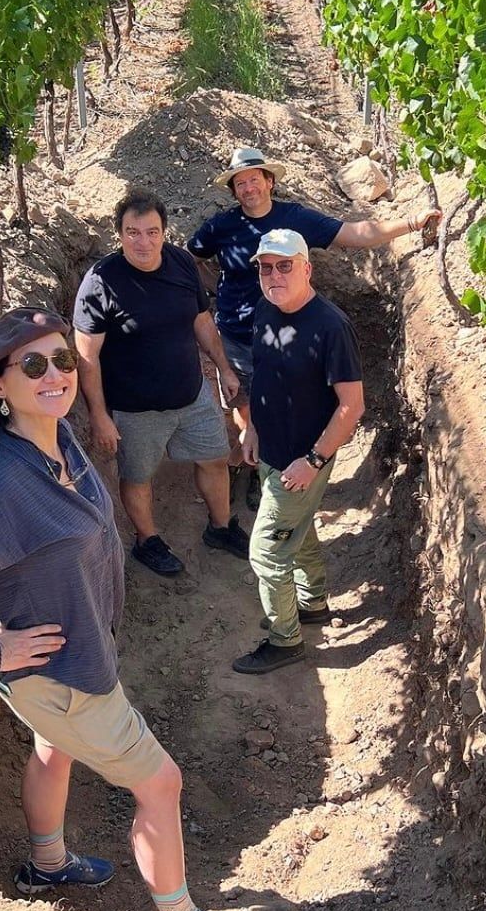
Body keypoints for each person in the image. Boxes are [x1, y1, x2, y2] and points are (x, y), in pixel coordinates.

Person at [0, 306, 258, 911]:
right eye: (31, 365)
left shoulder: (58, 441)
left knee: (52, 752)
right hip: (64, 678)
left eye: (62, 360)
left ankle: (47, 864)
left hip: (72, 662)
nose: (54, 374)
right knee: (161, 785)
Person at [187, 147, 437, 510]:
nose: (248, 188)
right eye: (240, 183)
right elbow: (190, 256)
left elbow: (356, 234)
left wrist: (411, 223)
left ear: (269, 182)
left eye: (254, 179)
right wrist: (212, 286)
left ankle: (285, 473)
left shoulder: (294, 219)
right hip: (237, 336)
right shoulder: (221, 227)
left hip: (287, 336)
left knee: (282, 404)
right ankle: (255, 465)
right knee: (246, 408)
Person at [73, 188, 249, 578]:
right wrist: (100, 416)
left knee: (216, 458)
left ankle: (220, 527)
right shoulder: (100, 283)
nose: (144, 242)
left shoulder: (182, 264)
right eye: (133, 232)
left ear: (164, 232)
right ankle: (147, 540)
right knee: (138, 477)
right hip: (136, 409)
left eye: (152, 232)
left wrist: (224, 367)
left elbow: (202, 321)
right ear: (118, 233)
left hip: (192, 395)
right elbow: (87, 358)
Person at [235, 230, 365, 676]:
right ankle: (313, 605)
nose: (274, 275)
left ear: (307, 268)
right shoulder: (265, 309)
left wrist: (313, 461)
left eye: (284, 265)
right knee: (299, 528)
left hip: (302, 460)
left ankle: (285, 639)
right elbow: (263, 374)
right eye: (266, 267)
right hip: (271, 450)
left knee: (267, 554)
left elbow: (352, 406)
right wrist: (251, 426)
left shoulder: (331, 326)